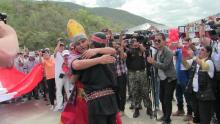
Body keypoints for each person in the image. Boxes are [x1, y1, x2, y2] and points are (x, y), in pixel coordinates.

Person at [71, 32, 119, 124]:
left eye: (83, 41)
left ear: (88, 41)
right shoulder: (81, 60)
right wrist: (99, 60)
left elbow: (113, 50)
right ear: (75, 47)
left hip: (103, 101)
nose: (81, 45)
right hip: (103, 101)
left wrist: (96, 51)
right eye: (78, 44)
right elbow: (76, 65)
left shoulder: (100, 53)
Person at [147, 33, 176, 124]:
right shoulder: (157, 51)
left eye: (159, 40)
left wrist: (153, 62)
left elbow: (165, 66)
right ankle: (165, 115)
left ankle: (168, 119)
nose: (156, 42)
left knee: (167, 99)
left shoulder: (168, 52)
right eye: (155, 40)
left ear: (164, 41)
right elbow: (155, 65)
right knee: (161, 98)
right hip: (162, 79)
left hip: (170, 79)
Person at [186, 46, 215, 124]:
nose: (200, 51)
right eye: (200, 50)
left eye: (202, 50)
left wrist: (193, 57)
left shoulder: (209, 62)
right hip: (195, 92)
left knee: (204, 118)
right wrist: (182, 55)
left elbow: (204, 66)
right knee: (197, 115)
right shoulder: (197, 60)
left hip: (205, 95)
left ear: (208, 53)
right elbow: (185, 65)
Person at [54, 39, 71, 111]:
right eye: (60, 46)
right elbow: (56, 50)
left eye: (62, 46)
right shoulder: (56, 54)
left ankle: (71, 105)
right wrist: (58, 42)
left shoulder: (66, 54)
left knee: (68, 90)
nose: (61, 47)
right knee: (59, 91)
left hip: (66, 75)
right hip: (59, 76)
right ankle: (59, 106)